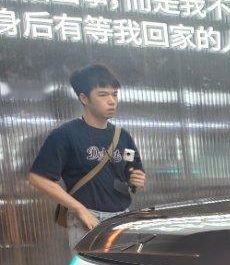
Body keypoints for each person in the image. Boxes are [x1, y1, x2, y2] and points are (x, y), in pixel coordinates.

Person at [26, 63, 147, 251]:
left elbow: (132, 174)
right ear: (84, 98)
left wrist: (137, 181)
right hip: (87, 219)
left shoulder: (122, 136)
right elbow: (37, 178)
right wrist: (79, 209)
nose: (112, 101)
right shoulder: (65, 134)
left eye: (114, 94)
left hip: (122, 218)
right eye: (103, 95)